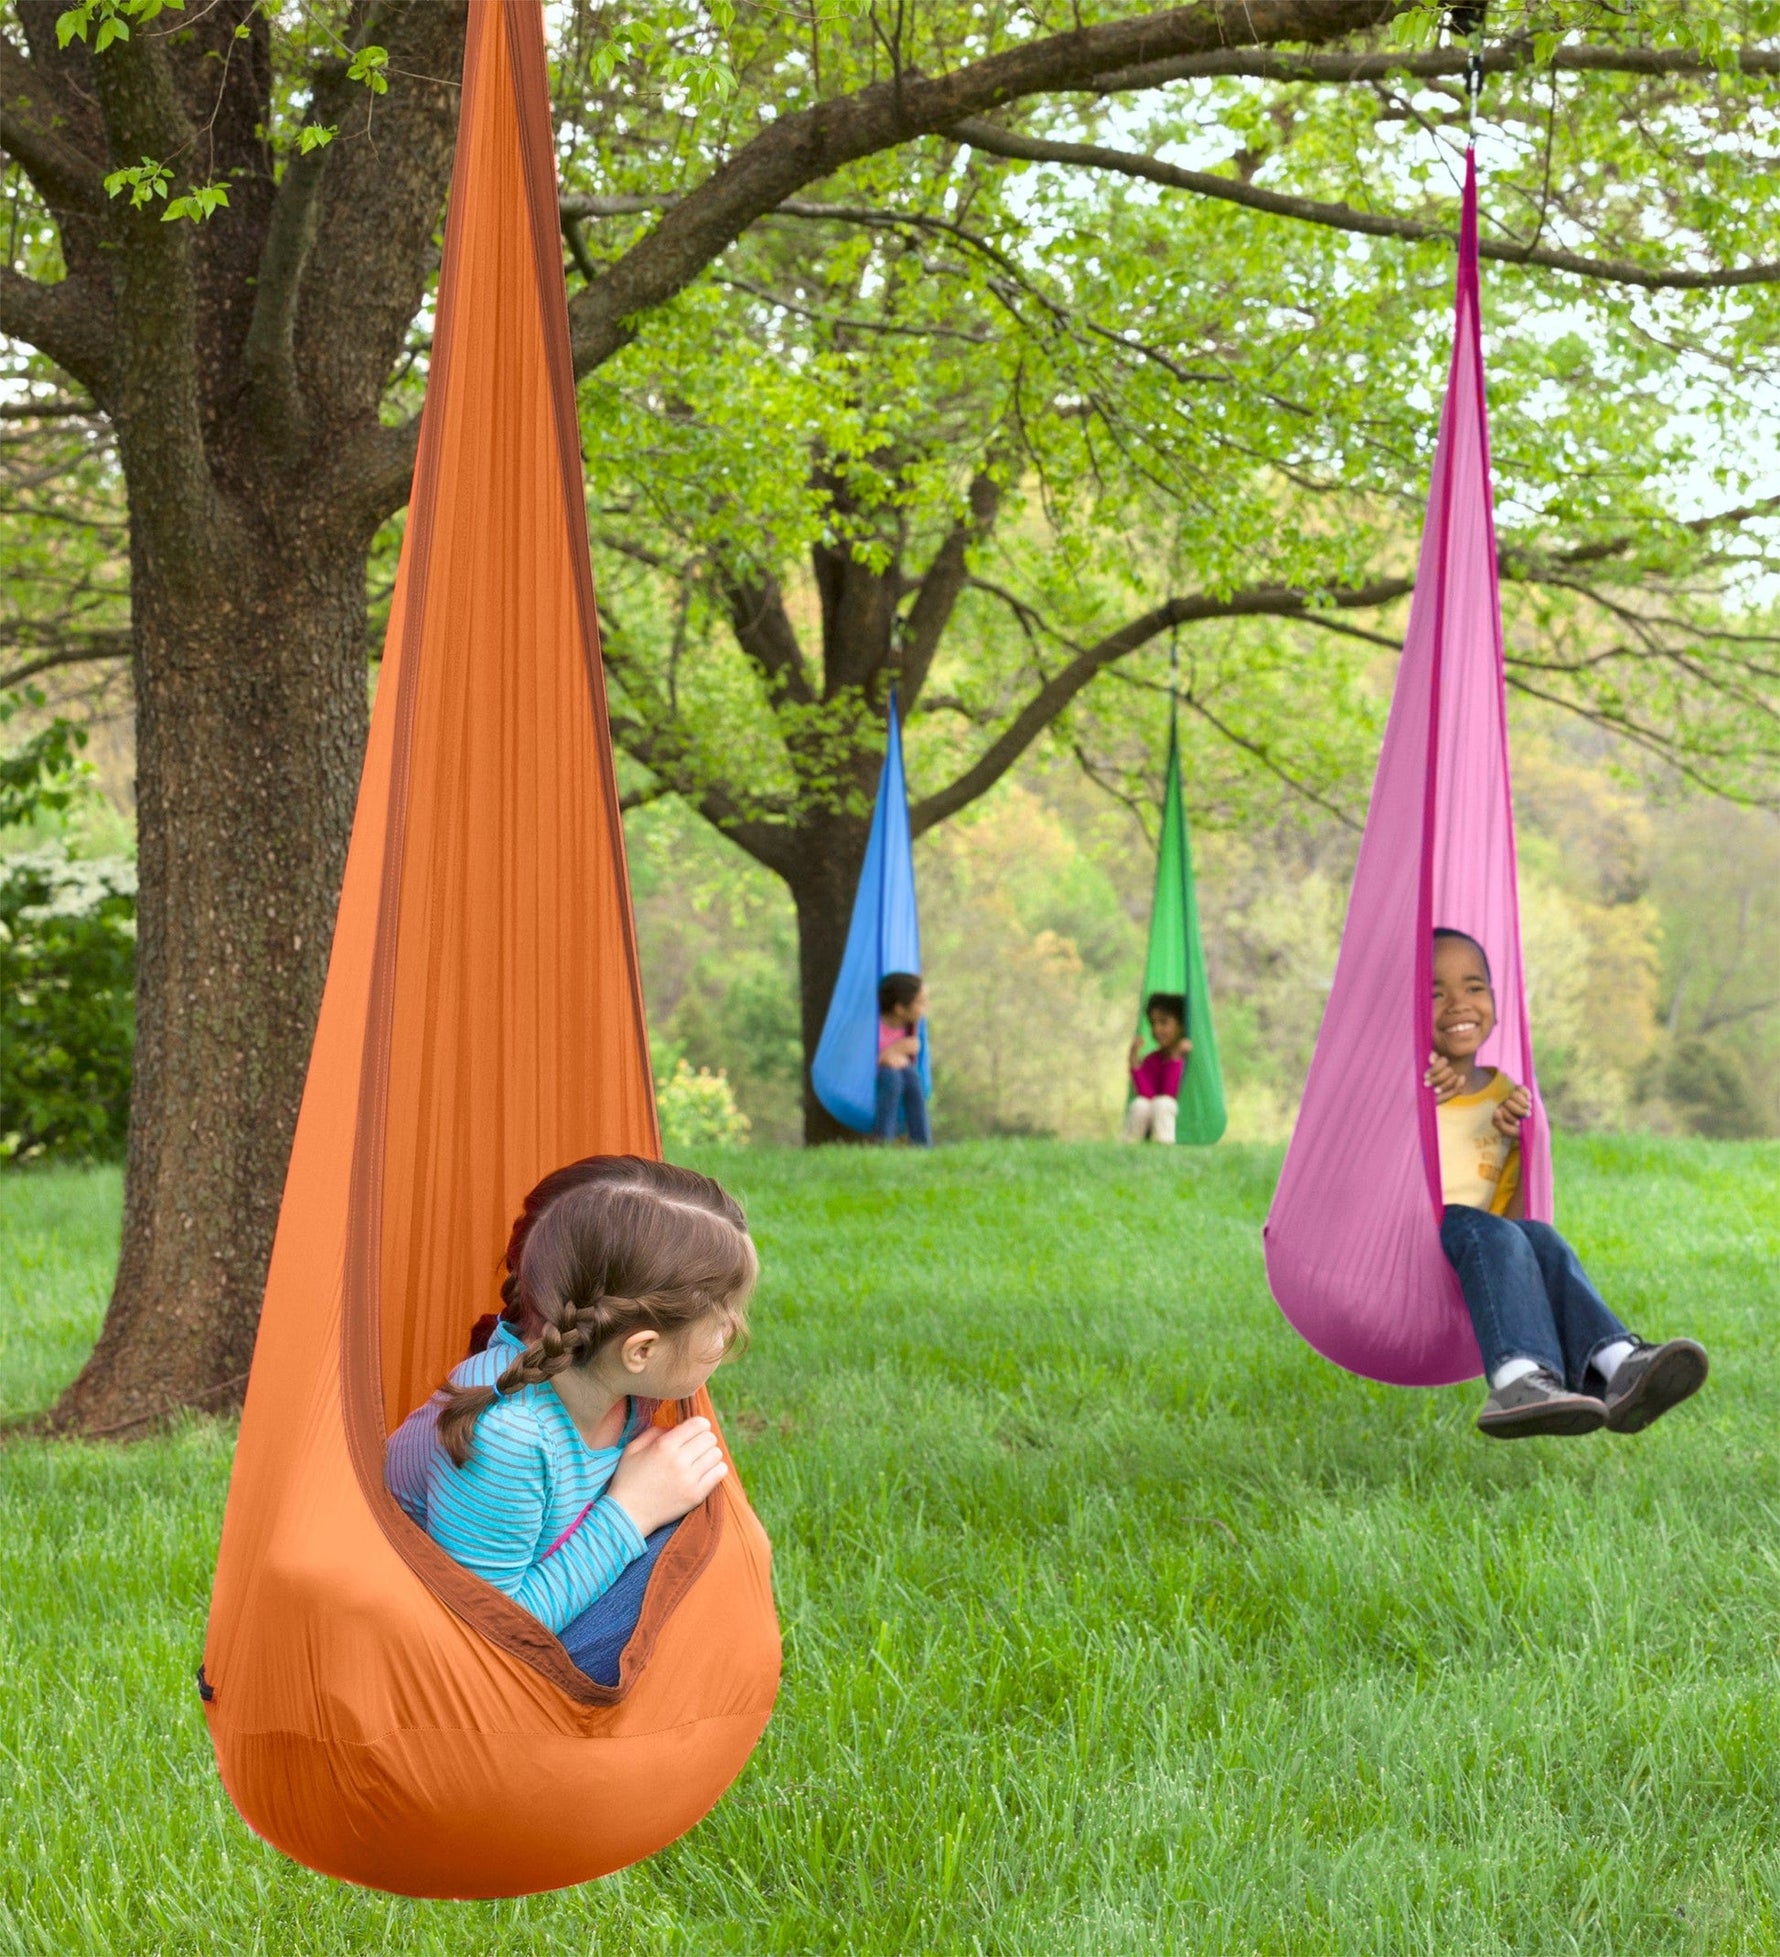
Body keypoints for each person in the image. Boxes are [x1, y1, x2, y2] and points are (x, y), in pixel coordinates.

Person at [385, 1156, 755, 1684]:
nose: (731, 1336)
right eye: (722, 1321)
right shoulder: (509, 1436)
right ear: (640, 1349)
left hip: (529, 1613)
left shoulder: (610, 1378)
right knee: (699, 1559)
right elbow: (480, 1639)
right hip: (448, 1671)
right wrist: (630, 1512)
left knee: (704, 1535)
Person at [1427, 928, 1708, 1440]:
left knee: (1540, 1238)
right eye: (1434, 993)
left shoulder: (1503, 1093)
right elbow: (1377, 1161)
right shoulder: (1412, 1081)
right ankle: (1516, 1379)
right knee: (1487, 1230)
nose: (1457, 1004)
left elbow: (1506, 1211)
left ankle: (1618, 1364)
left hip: (1483, 1241)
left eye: (1473, 987)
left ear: (1494, 997)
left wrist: (1513, 1140)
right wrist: (1420, 1099)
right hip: (1418, 1244)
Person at [1123, 991, 1192, 1143]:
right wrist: (1134, 1062)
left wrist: (1175, 1059)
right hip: (1156, 1113)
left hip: (1182, 1116)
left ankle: (1165, 1146)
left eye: (1164, 1022)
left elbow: (1169, 1093)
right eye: (1153, 1024)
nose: (1156, 1030)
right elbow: (1146, 1096)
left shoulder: (1188, 1056)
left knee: (1163, 1103)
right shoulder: (1152, 1059)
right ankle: (1130, 1146)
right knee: (1139, 1104)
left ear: (1181, 1025)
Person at [875, 970, 932, 1145]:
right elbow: (863, 1062)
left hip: (900, 1073)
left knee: (911, 1076)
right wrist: (892, 1052)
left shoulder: (912, 1028)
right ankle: (883, 1142)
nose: (926, 1007)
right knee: (893, 1078)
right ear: (900, 1009)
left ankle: (922, 1143)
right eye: (920, 1002)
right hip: (873, 1076)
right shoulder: (874, 1028)